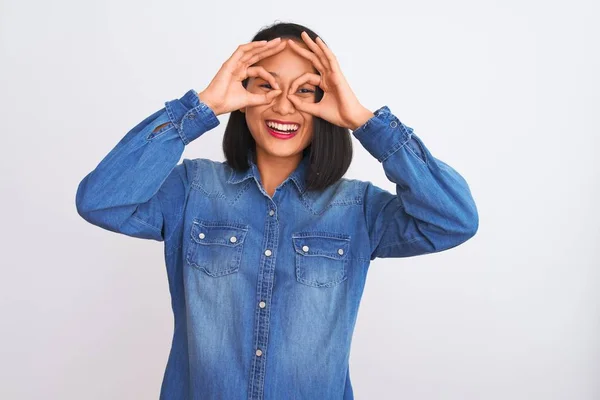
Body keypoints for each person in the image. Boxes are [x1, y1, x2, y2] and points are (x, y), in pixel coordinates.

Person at [75, 21, 478, 400]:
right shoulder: (190, 189)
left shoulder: (359, 208)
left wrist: (364, 120)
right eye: (265, 86)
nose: (284, 105)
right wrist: (201, 107)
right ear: (241, 95)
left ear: (327, 100)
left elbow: (454, 220)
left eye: (305, 90)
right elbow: (100, 200)